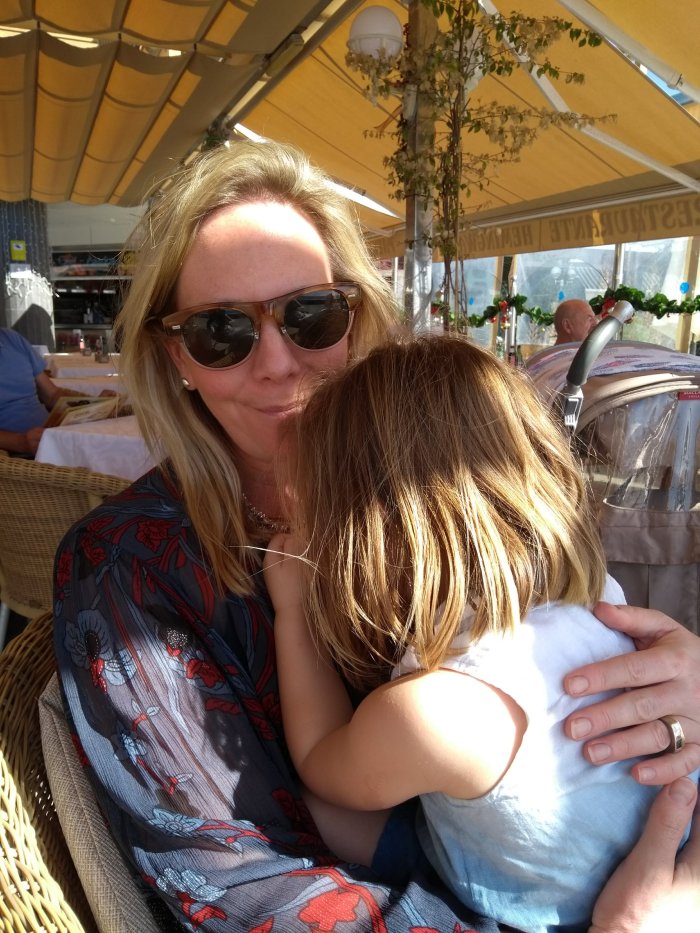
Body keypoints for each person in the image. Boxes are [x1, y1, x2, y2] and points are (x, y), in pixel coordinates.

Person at [53, 140, 700, 932]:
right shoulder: (126, 570)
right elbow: (247, 894)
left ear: (357, 317)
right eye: (222, 330)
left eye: (310, 314)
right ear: (177, 354)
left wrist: (674, 687)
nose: (278, 362)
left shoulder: (446, 490)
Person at [262, 335, 697, 932]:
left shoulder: (434, 714)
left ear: (358, 536)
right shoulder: (602, 598)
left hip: (563, 912)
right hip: (663, 858)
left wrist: (293, 614)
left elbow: (319, 760)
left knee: (317, 809)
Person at [0, 326, 87, 454]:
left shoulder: (11, 339)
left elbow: (52, 395)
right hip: (16, 455)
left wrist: (94, 404)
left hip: (53, 436)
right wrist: (20, 442)